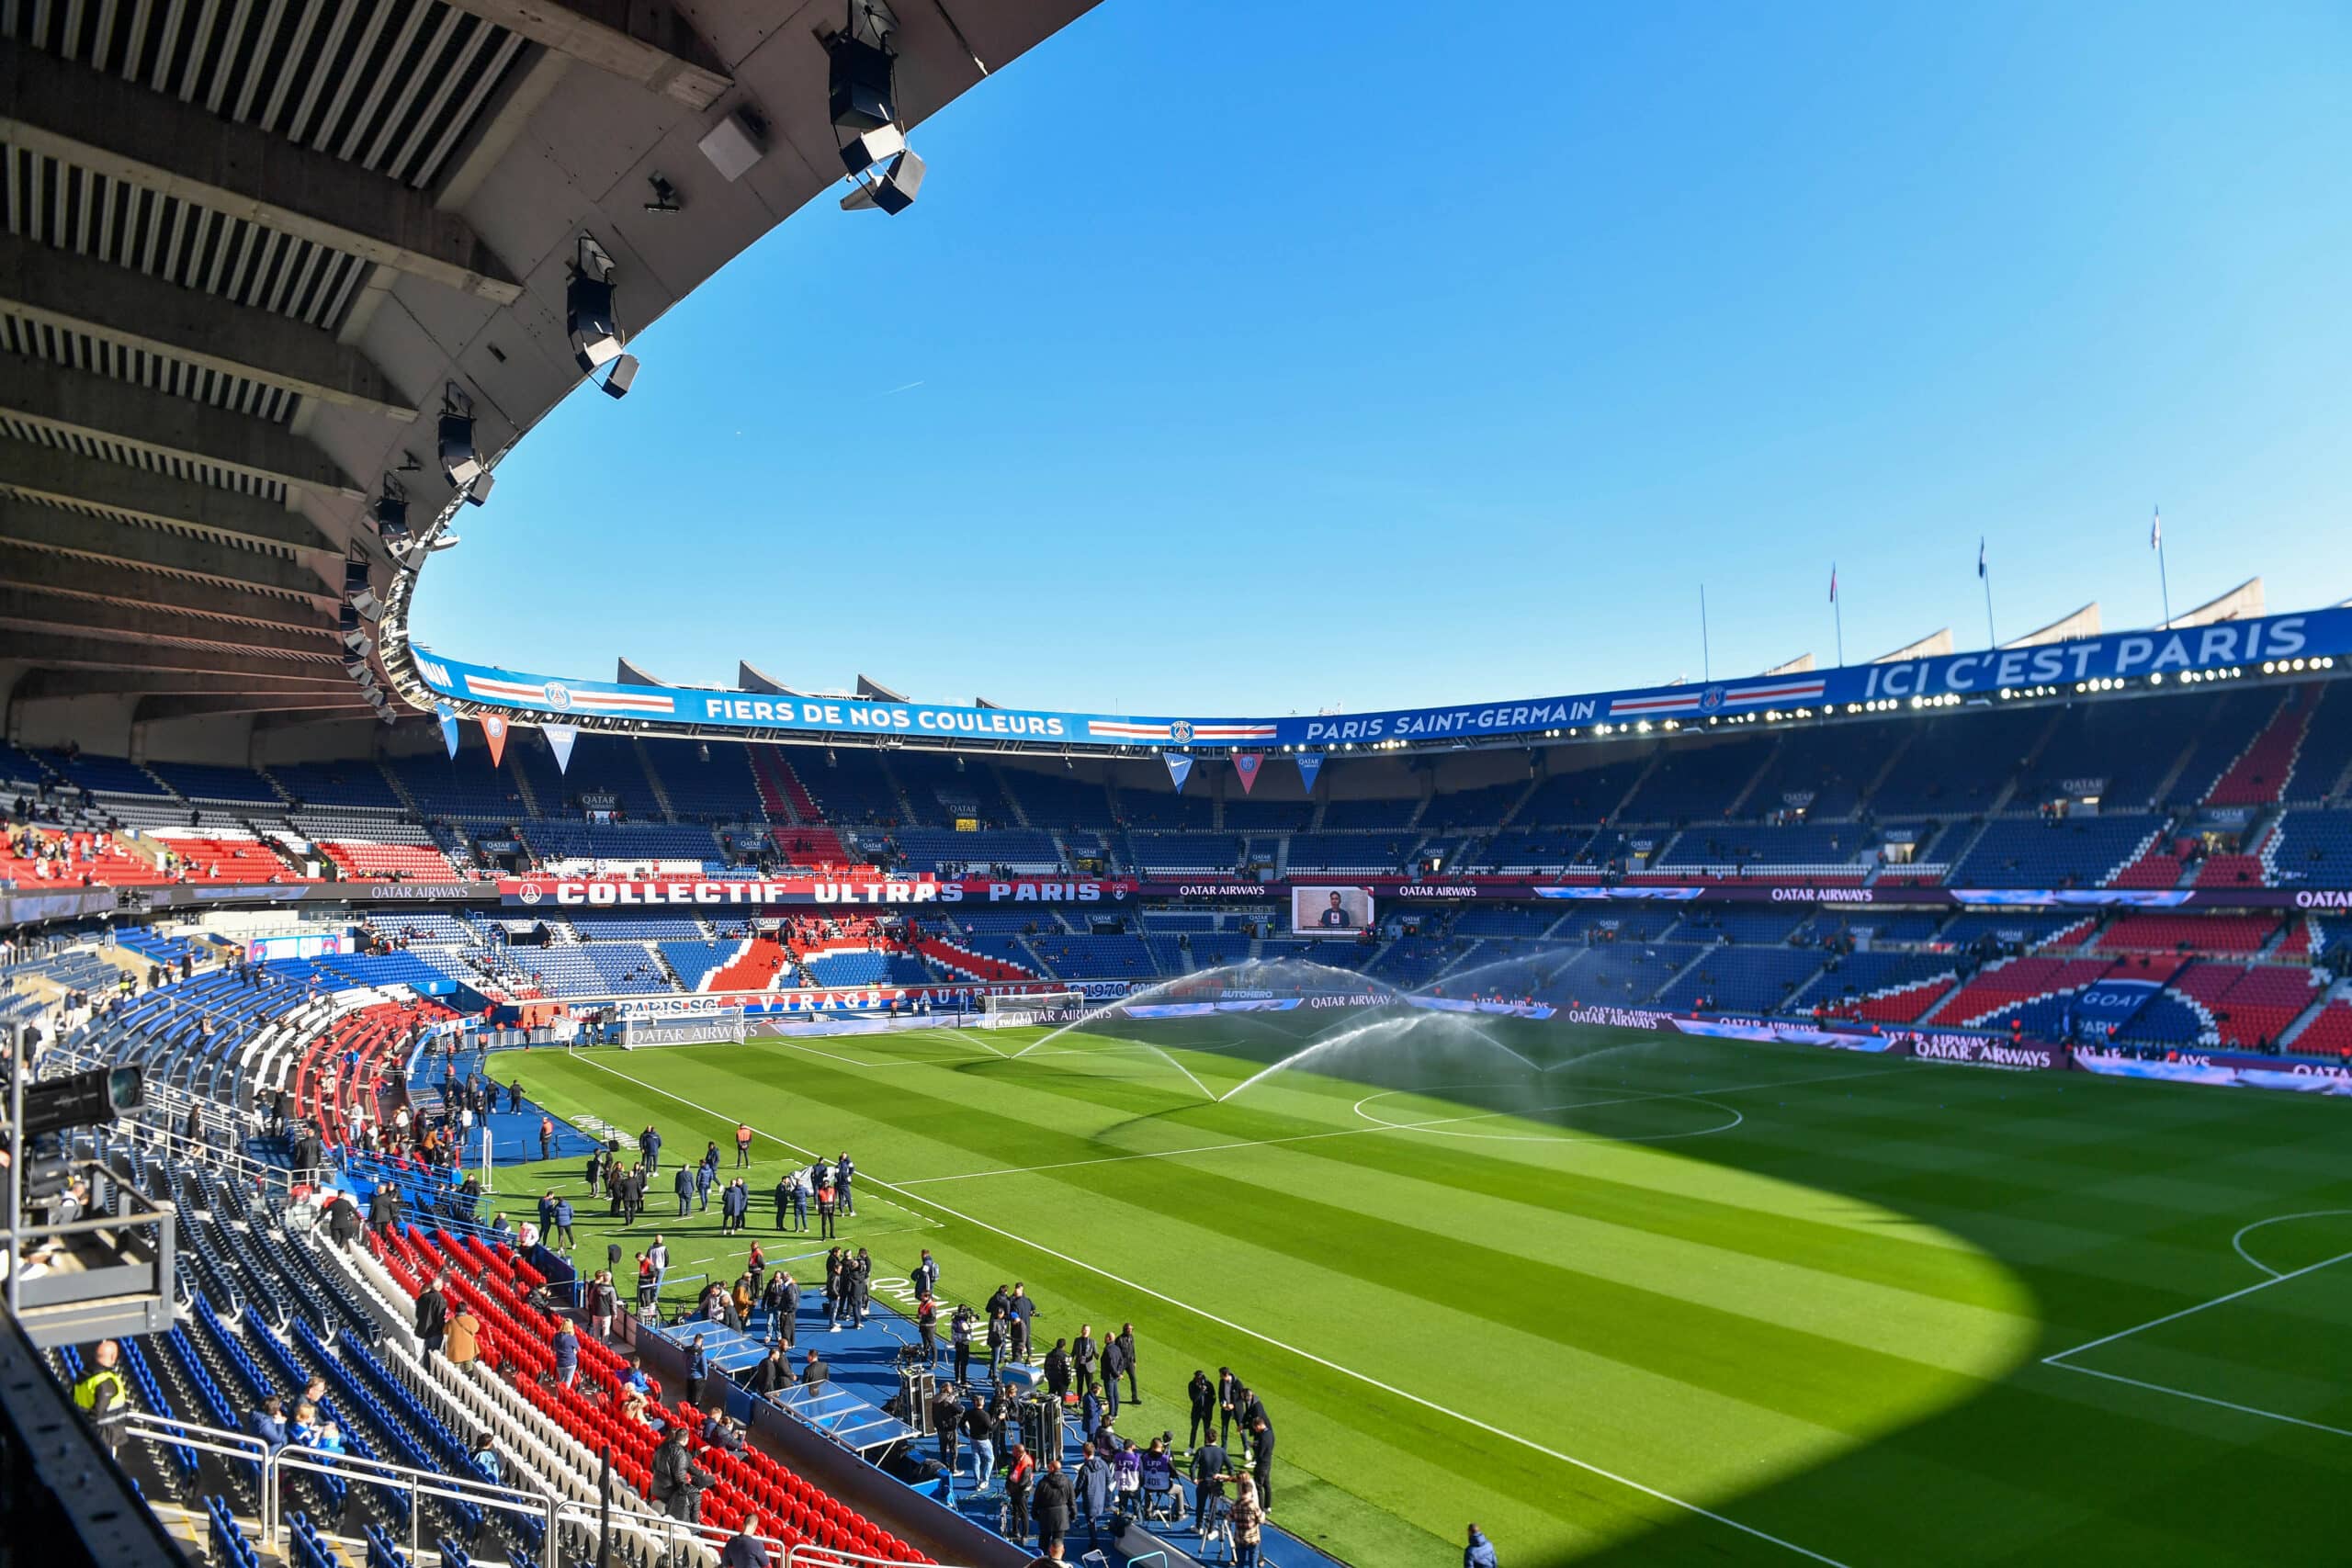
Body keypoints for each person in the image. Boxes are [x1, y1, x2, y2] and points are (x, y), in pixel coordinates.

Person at [650, 1425, 707, 1523]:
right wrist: (691, 1490)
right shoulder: (680, 1453)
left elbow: (653, 1465)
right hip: (668, 1492)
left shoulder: (663, 1446)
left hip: (656, 1486)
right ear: (686, 1439)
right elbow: (680, 1477)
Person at [1034, 1455, 1074, 1558]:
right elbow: (1071, 1501)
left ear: (1052, 1468)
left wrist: (1035, 1514)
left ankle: (1042, 1562)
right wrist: (1073, 1515)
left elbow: (1036, 1501)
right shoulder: (1068, 1482)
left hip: (1046, 1516)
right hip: (1061, 1517)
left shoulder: (1043, 1483)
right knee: (1058, 1545)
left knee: (1043, 1543)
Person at [1191, 1433, 1230, 1538]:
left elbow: (1193, 1466)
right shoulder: (1222, 1451)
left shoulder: (1201, 1450)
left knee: (1200, 1505)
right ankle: (1211, 1530)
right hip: (1215, 1483)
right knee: (1213, 1506)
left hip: (1203, 1482)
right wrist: (1225, 1478)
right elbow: (1231, 1468)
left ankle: (1198, 1527)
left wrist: (1194, 1478)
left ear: (1206, 1438)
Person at [1076, 1441, 1114, 1548]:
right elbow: (1109, 1478)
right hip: (1100, 1497)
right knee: (1095, 1519)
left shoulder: (1085, 1469)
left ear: (1084, 1453)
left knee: (1091, 1522)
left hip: (1090, 1499)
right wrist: (1101, 1487)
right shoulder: (1103, 1463)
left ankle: (1094, 1543)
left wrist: (1072, 1498)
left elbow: (1079, 1486)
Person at [1228, 1472, 1265, 1566]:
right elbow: (1261, 1520)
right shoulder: (1253, 1505)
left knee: (1240, 1563)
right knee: (1253, 1563)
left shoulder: (1235, 1504)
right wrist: (1263, 1514)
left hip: (1240, 1538)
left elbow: (1229, 1518)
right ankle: (1260, 1560)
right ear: (1250, 1491)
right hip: (1253, 1538)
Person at [965, 1392, 997, 1492]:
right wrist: (999, 1420)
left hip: (973, 1439)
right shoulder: (985, 1415)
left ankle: (977, 1482)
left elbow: (961, 1423)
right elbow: (991, 1428)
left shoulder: (969, 1413)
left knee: (976, 1460)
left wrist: (966, 1434)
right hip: (983, 1440)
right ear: (982, 1403)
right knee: (990, 1459)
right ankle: (985, 1480)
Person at [1003, 1442, 1035, 1543]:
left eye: (1014, 1450)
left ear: (1018, 1453)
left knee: (1024, 1513)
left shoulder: (1027, 1463)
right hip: (1014, 1490)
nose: (1012, 1452)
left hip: (1022, 1492)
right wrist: (1007, 1486)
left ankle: (1025, 1534)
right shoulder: (1014, 1460)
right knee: (1015, 1511)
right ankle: (1015, 1530)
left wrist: (1013, 1489)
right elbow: (1010, 1473)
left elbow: (1023, 1482)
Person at [932, 1382, 963, 1476]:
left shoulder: (935, 1399)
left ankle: (943, 1465)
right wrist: (953, 1400)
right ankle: (953, 1469)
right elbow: (960, 1409)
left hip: (940, 1427)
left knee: (943, 1448)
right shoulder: (948, 1400)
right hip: (949, 1428)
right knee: (953, 1449)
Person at [415, 1274, 449, 1356]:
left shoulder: (423, 1297)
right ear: (439, 1287)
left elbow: (417, 1314)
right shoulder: (440, 1299)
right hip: (435, 1331)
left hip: (425, 1328)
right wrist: (442, 1327)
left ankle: (426, 1367)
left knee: (427, 1350)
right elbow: (440, 1317)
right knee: (434, 1353)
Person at [1249, 1414, 1275, 1512]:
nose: (1255, 1430)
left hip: (1261, 1464)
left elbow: (1260, 1451)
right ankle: (1268, 1506)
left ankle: (1259, 1508)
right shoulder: (1270, 1433)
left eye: (1255, 1428)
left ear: (1258, 1425)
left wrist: (1254, 1447)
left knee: (1258, 1486)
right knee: (1267, 1484)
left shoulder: (1263, 1436)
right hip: (1268, 1461)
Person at [1188, 1369, 1216, 1451]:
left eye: (1200, 1378)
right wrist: (1201, 1391)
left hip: (1207, 1412)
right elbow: (1194, 1399)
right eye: (1197, 1377)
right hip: (1196, 1411)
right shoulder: (1192, 1385)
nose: (1199, 1379)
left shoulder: (1209, 1384)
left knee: (1207, 1430)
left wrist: (1207, 1409)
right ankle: (1191, 1447)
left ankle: (1206, 1448)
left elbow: (1213, 1399)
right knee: (1194, 1428)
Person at [447, 1303, 482, 1367]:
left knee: (455, 1370)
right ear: (466, 1310)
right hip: (468, 1348)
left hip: (455, 1350)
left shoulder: (451, 1321)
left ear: (456, 1311)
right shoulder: (472, 1320)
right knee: (468, 1368)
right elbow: (477, 1328)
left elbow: (445, 1331)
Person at [950, 1303, 976, 1385]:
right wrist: (972, 1323)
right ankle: (963, 1381)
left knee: (957, 1360)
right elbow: (968, 1331)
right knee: (963, 1363)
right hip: (963, 1343)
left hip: (957, 1342)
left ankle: (957, 1378)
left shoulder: (955, 1319)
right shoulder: (962, 1322)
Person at [1114, 1322, 1140, 1404]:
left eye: (1131, 1329)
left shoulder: (1131, 1337)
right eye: (1129, 1329)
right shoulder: (1119, 1339)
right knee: (1116, 1379)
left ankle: (1134, 1397)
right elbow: (1116, 1352)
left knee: (1133, 1379)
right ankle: (1112, 1395)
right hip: (1121, 1362)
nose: (1130, 1331)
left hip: (1130, 1361)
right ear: (1125, 1330)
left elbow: (1132, 1349)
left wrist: (1134, 1361)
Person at [552, 1319, 579, 1388]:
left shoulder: (556, 1336)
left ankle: (560, 1395)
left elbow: (555, 1346)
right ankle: (563, 1396)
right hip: (570, 1362)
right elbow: (578, 1348)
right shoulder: (572, 1338)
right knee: (567, 1383)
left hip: (560, 1362)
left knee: (562, 1380)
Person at [685, 1334, 709, 1408]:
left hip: (689, 1376)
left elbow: (684, 1360)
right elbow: (704, 1366)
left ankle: (687, 1414)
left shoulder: (687, 1349)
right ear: (701, 1341)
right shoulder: (701, 1352)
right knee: (696, 1400)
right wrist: (705, 1377)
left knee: (689, 1397)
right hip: (698, 1379)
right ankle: (694, 1416)